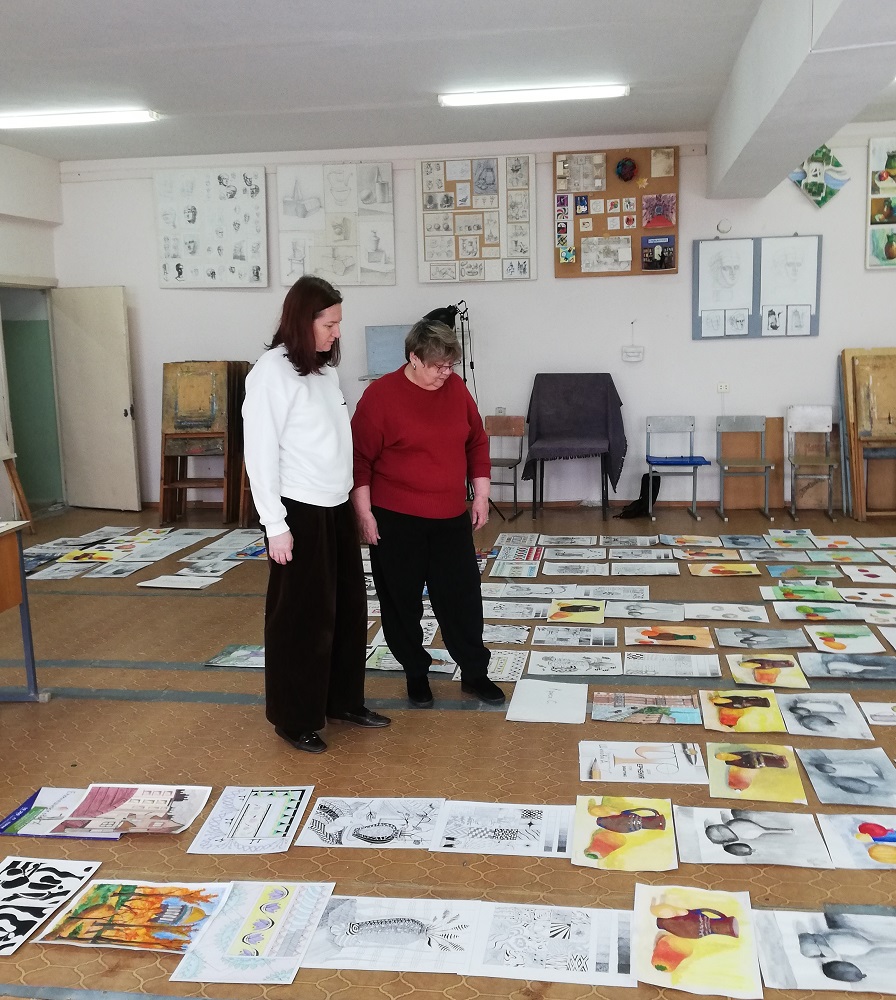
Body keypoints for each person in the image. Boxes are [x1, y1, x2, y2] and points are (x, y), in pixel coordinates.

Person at [242, 275, 389, 754]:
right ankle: (294, 717)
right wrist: (275, 525)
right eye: (329, 324)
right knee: (300, 619)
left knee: (346, 610)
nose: (337, 333)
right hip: (298, 511)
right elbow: (259, 455)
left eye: (338, 323)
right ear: (302, 322)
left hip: (335, 506)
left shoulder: (324, 373)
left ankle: (342, 701)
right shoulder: (271, 373)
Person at [351, 318, 503, 708]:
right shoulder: (380, 396)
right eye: (438, 366)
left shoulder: (456, 389)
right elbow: (359, 459)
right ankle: (416, 673)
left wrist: (481, 496)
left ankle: (474, 673)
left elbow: (476, 441)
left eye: (450, 365)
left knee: (462, 599)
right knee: (401, 602)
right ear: (414, 358)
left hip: (450, 517)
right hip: (396, 518)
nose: (445, 373)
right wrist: (364, 514)